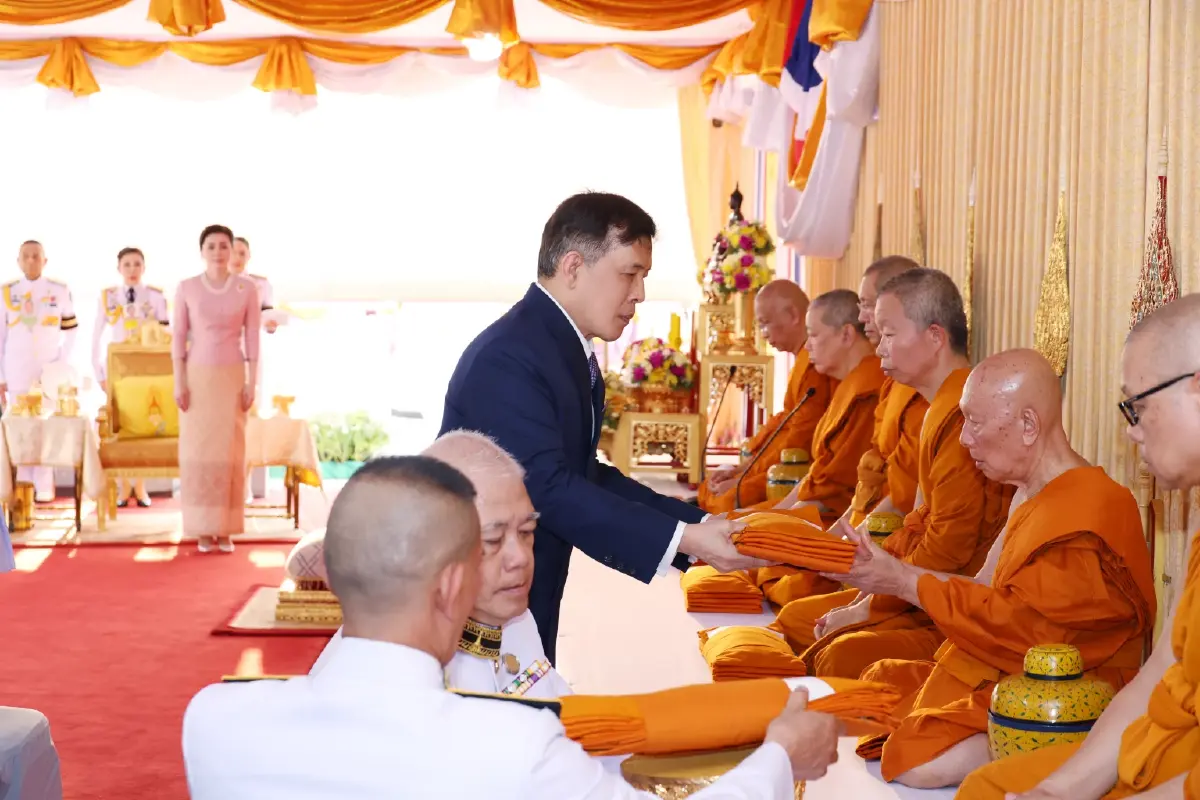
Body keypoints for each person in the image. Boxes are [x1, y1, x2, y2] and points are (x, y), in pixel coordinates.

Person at [182, 455, 840, 799]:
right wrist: (781, 757)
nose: (515, 561)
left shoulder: (213, 719)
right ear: (451, 584)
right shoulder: (511, 749)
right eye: (487, 546)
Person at [440, 192, 762, 662]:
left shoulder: (560, 349)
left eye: (644, 277)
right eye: (629, 273)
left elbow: (583, 474)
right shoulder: (510, 357)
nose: (640, 294)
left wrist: (700, 524)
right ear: (573, 268)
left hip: (524, 595)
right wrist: (687, 539)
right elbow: (547, 488)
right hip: (478, 607)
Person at [829, 348, 1155, 790]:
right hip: (1005, 661)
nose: (964, 440)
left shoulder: (1096, 506)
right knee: (877, 686)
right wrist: (887, 573)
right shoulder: (1027, 494)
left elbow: (1033, 633)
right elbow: (982, 589)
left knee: (914, 762)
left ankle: (1075, 748)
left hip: (1067, 687)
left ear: (1027, 425)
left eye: (974, 422)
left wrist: (904, 580)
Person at [956, 295, 1200, 800]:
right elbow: (1164, 666)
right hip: (1163, 742)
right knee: (987, 787)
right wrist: (1060, 791)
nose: (1131, 431)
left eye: (1139, 406)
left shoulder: (1093, 503)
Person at [771, 268, 1013, 679]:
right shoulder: (939, 406)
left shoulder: (962, 419)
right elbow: (919, 523)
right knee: (802, 621)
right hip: (921, 588)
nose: (877, 347)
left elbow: (948, 552)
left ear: (935, 337)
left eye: (888, 333)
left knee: (831, 648)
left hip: (955, 609)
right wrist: (865, 597)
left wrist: (867, 604)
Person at [311, 430, 572, 698]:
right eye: (493, 540)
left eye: (526, 531)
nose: (520, 558)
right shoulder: (392, 665)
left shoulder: (517, 621)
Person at [698, 280, 834, 513]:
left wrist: (745, 476)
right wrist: (743, 468)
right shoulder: (803, 363)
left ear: (792, 314)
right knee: (712, 490)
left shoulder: (814, 368)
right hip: (779, 464)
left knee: (724, 500)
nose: (763, 335)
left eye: (765, 324)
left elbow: (798, 442)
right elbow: (785, 424)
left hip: (796, 469)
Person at [172, 225, 261, 554]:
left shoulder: (246, 288)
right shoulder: (187, 288)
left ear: (232, 250)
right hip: (197, 377)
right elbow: (178, 337)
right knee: (198, 452)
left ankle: (226, 529)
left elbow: (253, 338)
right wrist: (178, 381)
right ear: (202, 251)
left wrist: (253, 382)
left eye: (224, 246)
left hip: (232, 376)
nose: (218, 252)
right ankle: (201, 529)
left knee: (230, 451)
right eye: (211, 246)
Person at [841, 255, 926, 529]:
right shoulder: (894, 379)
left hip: (887, 535)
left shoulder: (924, 389)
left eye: (867, 305)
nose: (860, 317)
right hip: (865, 521)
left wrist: (843, 547)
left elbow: (906, 492)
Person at [91, 246, 170, 508]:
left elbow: (166, 336)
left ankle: (141, 487)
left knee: (144, 426)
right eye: (127, 265)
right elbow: (97, 336)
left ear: (144, 267)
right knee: (120, 428)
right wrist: (99, 372)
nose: (132, 270)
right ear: (119, 269)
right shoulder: (108, 297)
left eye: (137, 264)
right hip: (117, 370)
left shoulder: (156, 297)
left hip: (146, 371)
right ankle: (124, 488)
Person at [0, 241, 78, 502]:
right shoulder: (6, 293)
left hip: (48, 373)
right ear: (19, 261)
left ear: (45, 260)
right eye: (26, 256)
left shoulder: (60, 290)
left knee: (46, 428)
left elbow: (71, 331)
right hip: (17, 371)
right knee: (21, 429)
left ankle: (44, 486)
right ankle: (23, 486)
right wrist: (1, 378)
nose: (32, 260)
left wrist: (61, 363)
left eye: (36, 256)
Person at [230, 236, 275, 500]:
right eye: (232, 252)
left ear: (249, 256)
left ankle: (245, 484)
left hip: (251, 360)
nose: (236, 257)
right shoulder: (214, 285)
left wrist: (271, 325)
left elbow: (268, 319)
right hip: (221, 360)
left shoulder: (260, 284)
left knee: (249, 421)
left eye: (242, 252)